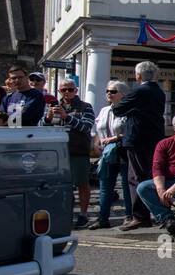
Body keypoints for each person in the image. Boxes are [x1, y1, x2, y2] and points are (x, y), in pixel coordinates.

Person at [112, 60, 166, 231]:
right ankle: (157, 212)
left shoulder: (139, 91)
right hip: (154, 138)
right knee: (152, 176)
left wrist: (131, 108)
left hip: (137, 139)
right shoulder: (159, 91)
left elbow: (118, 109)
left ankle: (141, 217)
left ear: (138, 75)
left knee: (136, 178)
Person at [50, 79, 95, 227]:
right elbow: (44, 127)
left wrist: (67, 117)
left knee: (82, 183)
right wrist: (47, 118)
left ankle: (83, 214)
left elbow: (86, 127)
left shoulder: (85, 107)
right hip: (59, 153)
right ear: (59, 91)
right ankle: (65, 213)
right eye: (64, 90)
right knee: (62, 185)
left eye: (70, 89)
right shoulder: (54, 106)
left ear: (76, 91)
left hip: (78, 150)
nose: (67, 92)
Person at [90, 80, 132, 228]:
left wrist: (113, 138)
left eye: (113, 91)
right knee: (105, 186)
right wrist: (96, 144)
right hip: (106, 153)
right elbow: (97, 130)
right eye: (107, 91)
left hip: (123, 151)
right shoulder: (104, 110)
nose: (109, 93)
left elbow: (129, 132)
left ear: (123, 94)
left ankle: (129, 217)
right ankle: (103, 218)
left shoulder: (129, 111)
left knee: (127, 185)